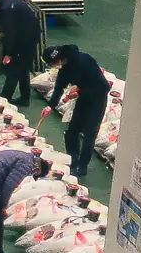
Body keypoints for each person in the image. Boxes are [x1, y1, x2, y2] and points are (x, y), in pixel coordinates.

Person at [44, 45, 111, 178]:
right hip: (83, 97)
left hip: (97, 97)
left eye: (53, 63)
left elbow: (102, 86)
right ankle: (73, 159)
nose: (54, 66)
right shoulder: (64, 69)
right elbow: (59, 88)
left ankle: (82, 165)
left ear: (59, 58)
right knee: (72, 131)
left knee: (89, 134)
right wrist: (50, 106)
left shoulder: (85, 61)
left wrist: (80, 92)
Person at [0, 0, 42, 106]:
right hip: (29, 33)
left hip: (26, 39)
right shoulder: (4, 1)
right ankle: (24, 99)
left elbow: (10, 34)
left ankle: (4, 100)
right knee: (23, 68)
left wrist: (9, 54)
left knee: (13, 69)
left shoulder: (5, 9)